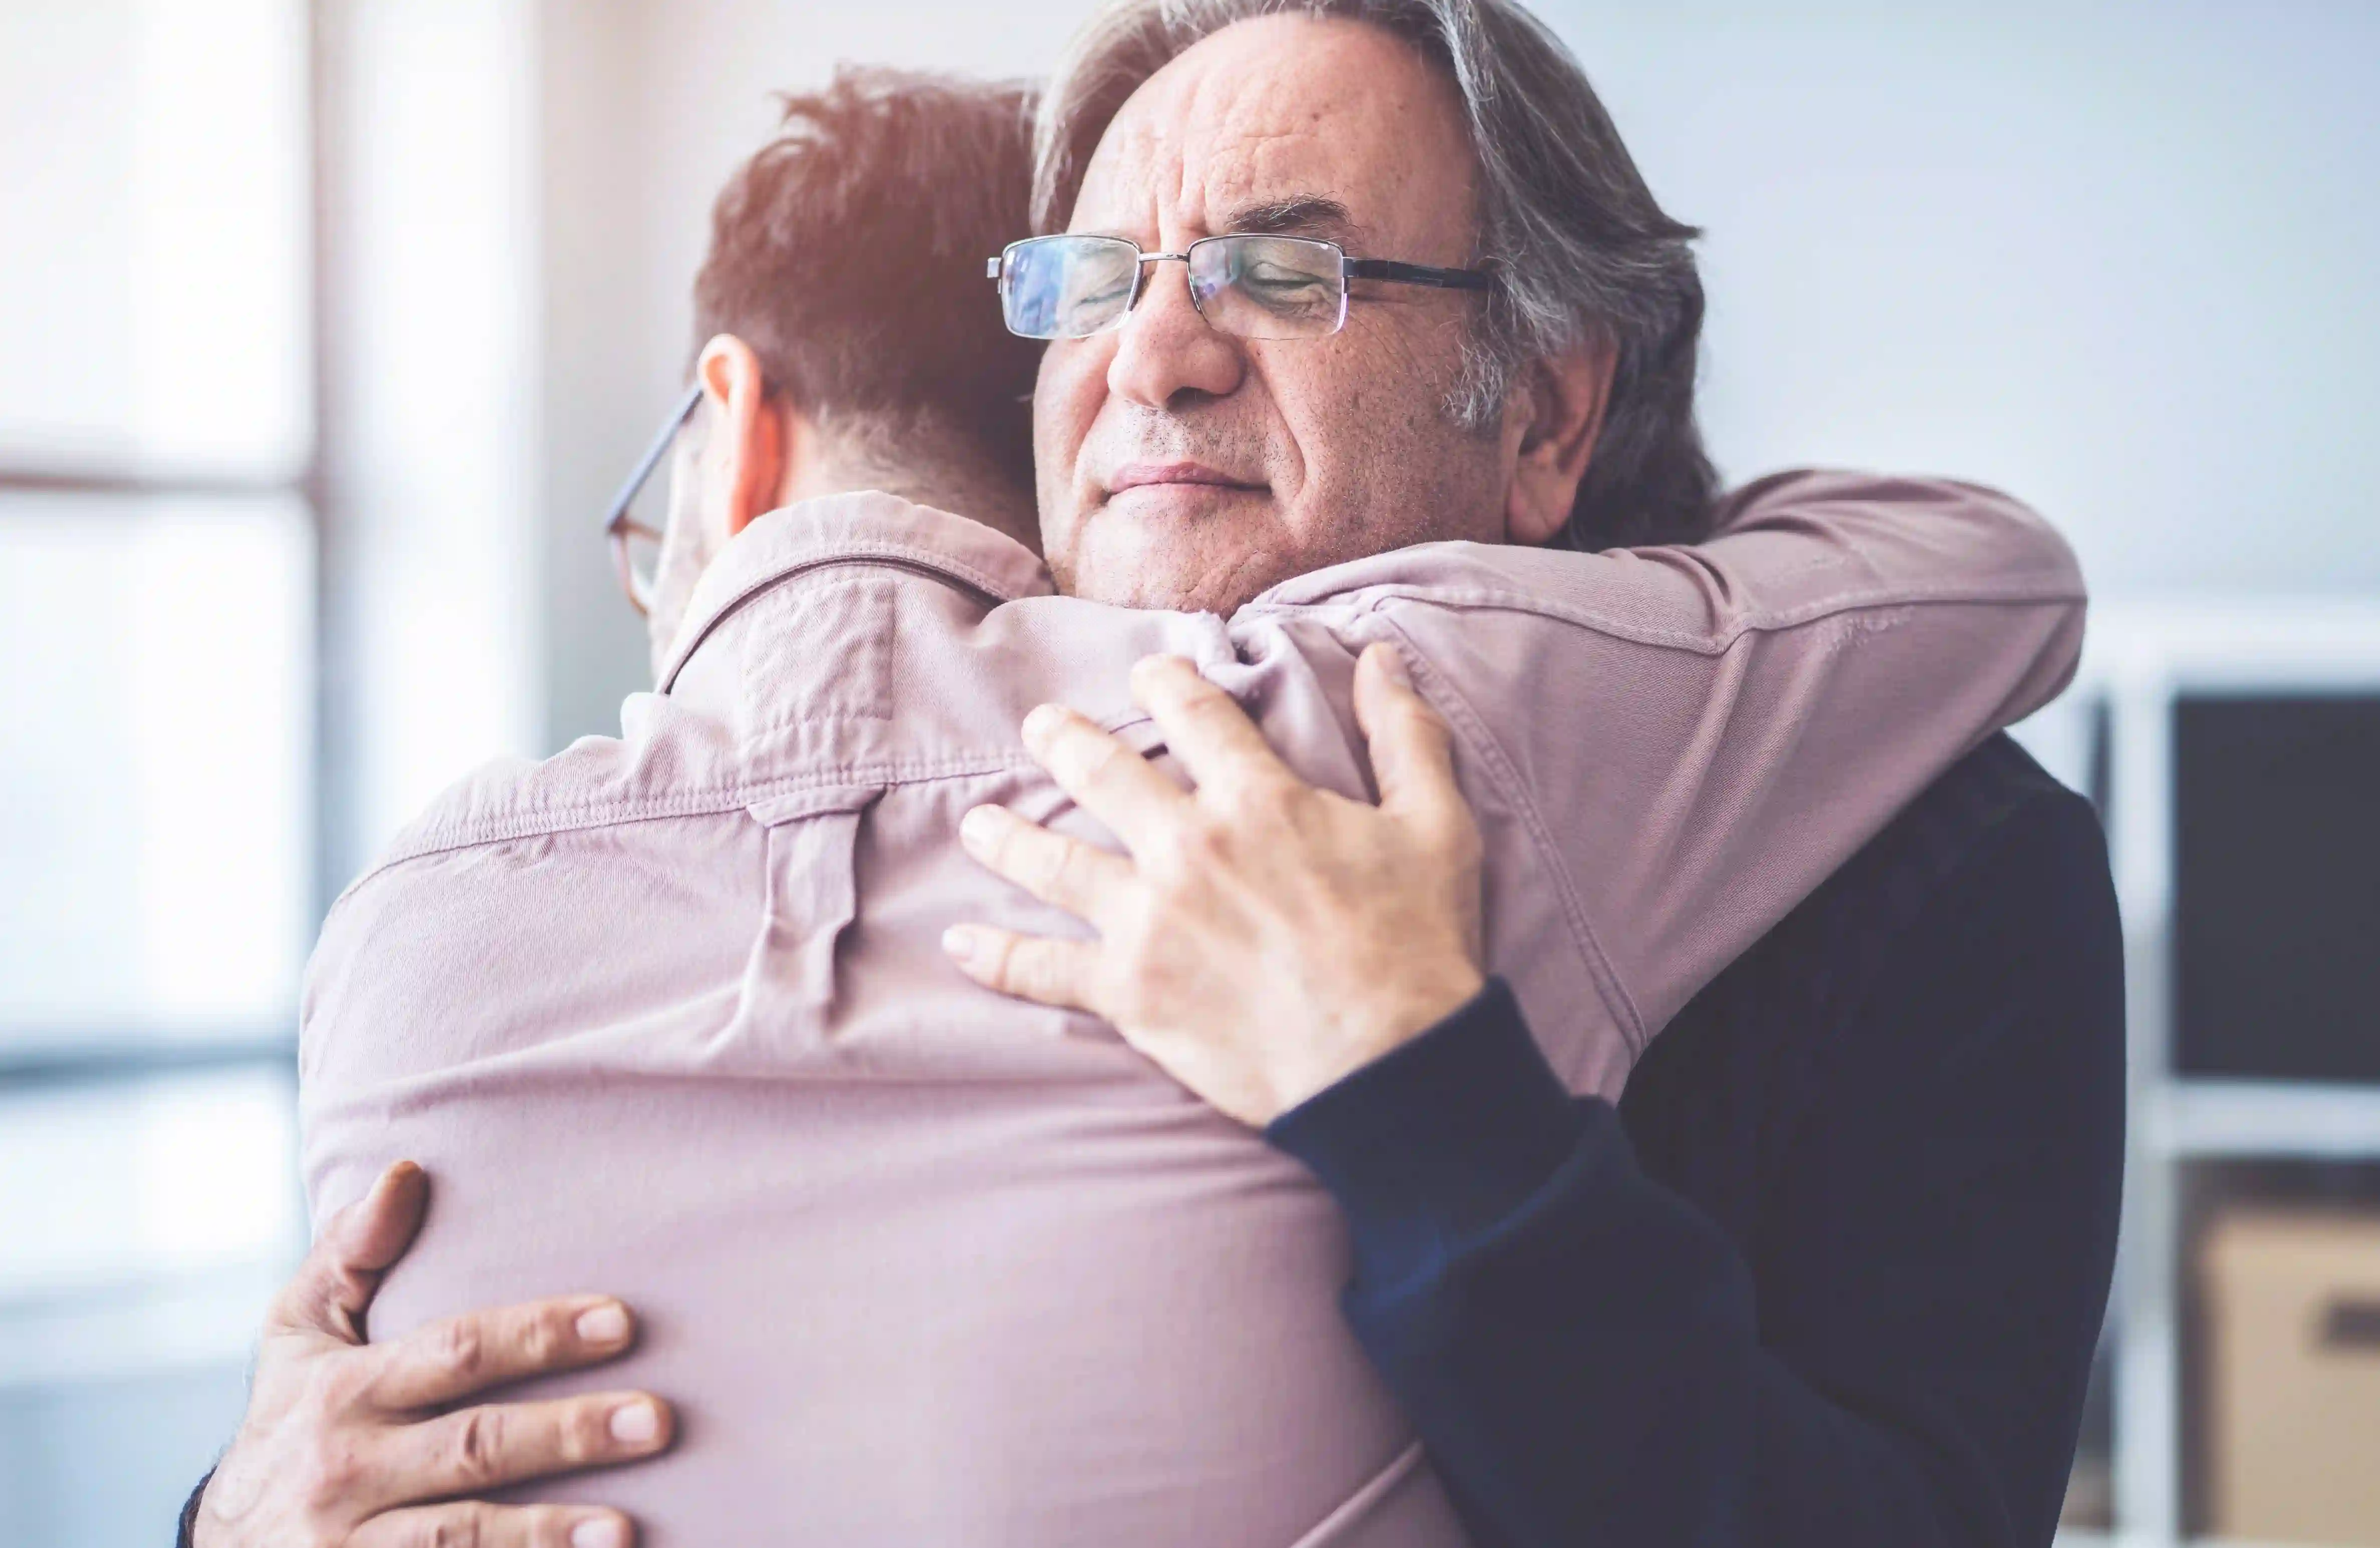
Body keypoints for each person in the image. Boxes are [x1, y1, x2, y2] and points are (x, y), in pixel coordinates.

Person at [188, 9, 2119, 1548]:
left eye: (1286, 271)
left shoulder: (1931, 857)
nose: (1158, 354)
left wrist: (1419, 1094)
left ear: (1541, 411)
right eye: (1095, 279)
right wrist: (240, 1504)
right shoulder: (834, 840)